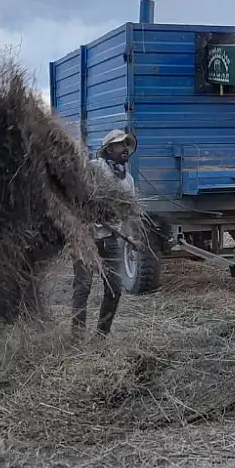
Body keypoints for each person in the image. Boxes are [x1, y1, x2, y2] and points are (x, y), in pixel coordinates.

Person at [71, 129, 137, 338]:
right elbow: (78, 194)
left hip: (110, 239)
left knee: (115, 287)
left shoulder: (129, 181)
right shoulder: (94, 169)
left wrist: (131, 237)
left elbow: (129, 213)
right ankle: (77, 334)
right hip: (86, 236)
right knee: (83, 286)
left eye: (127, 144)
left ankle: (101, 335)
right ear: (109, 149)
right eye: (120, 144)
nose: (125, 148)